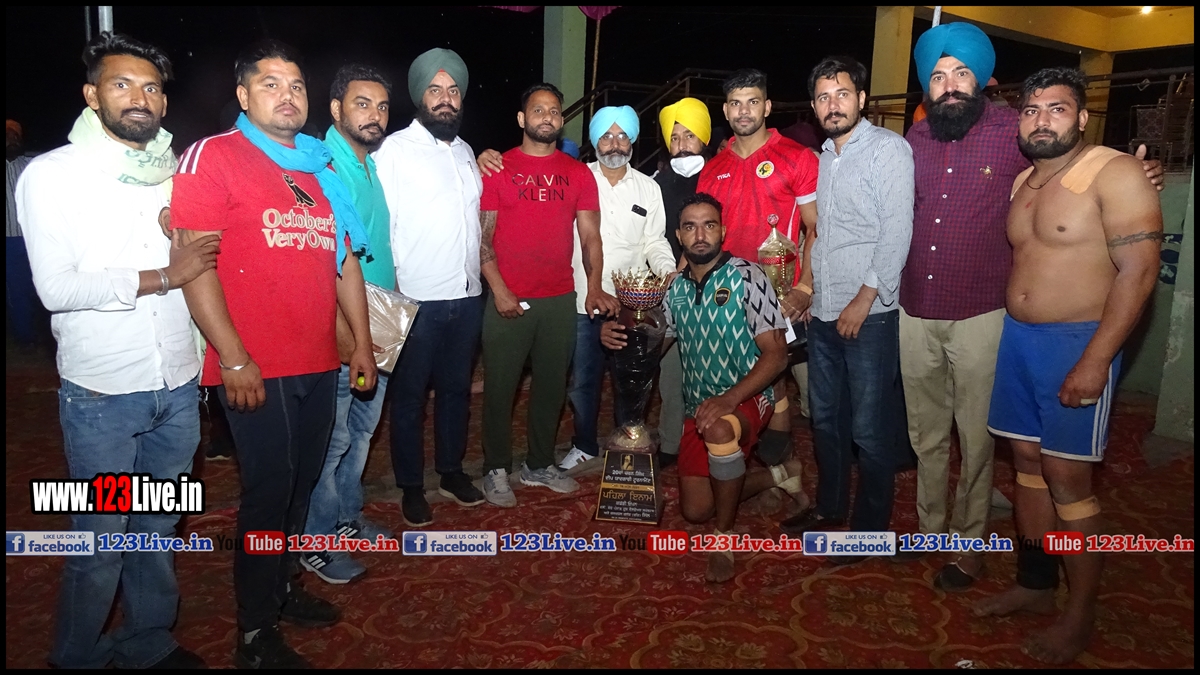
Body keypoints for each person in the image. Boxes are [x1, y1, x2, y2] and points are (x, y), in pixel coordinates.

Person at [897, 22, 1165, 590]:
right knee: (939, 440)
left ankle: (972, 547)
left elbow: (1121, 240)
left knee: (986, 445)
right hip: (921, 309)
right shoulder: (918, 141)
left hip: (988, 315)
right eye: (938, 77)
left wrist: (1137, 172)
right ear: (926, 86)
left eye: (961, 73)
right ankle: (938, 534)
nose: (950, 85)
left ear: (983, 80)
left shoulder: (1016, 135)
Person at [172, 39, 376, 668]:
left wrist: (361, 345)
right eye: (270, 84)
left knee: (300, 486)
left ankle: (281, 587)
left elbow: (344, 262)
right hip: (254, 367)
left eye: (296, 85)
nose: (287, 96)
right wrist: (233, 358)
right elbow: (193, 265)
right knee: (268, 494)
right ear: (242, 95)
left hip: (318, 359)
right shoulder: (214, 156)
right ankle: (255, 633)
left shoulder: (317, 167)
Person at [17, 32, 216, 669]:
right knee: (101, 541)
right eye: (122, 84)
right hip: (103, 394)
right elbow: (56, 289)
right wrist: (164, 275)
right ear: (91, 95)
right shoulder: (53, 175)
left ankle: (148, 641)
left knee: (158, 530)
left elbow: (210, 262)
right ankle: (75, 656)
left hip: (178, 384)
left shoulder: (175, 174)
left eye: (151, 87)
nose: (139, 97)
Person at [974, 67, 1163, 665]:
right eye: (1031, 110)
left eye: (1057, 109)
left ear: (1082, 117)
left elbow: (1139, 273)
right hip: (1019, 341)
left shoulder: (1116, 172)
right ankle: (1035, 584)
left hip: (1077, 343)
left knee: (1067, 479)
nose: (1042, 120)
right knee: (1027, 465)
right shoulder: (1023, 181)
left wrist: (1097, 360)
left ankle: (1079, 615)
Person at [602, 192, 803, 583]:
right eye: (690, 227)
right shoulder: (674, 290)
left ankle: (724, 540)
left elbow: (777, 356)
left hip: (749, 395)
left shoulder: (748, 277)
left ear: (722, 232)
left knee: (720, 430)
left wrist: (729, 399)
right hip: (701, 405)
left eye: (709, 225)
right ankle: (780, 474)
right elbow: (655, 346)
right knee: (695, 510)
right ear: (679, 236)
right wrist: (620, 336)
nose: (700, 235)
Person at [779, 57, 914, 557]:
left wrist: (865, 297)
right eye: (823, 97)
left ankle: (869, 530)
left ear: (861, 98)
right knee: (825, 419)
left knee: (869, 429)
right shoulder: (822, 160)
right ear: (814, 107)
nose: (832, 104)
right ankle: (830, 507)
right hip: (824, 311)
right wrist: (810, 291)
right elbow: (820, 233)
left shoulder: (888, 150)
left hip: (869, 314)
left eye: (841, 94)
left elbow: (896, 232)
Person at [477, 82, 620, 507]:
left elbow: (591, 236)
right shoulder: (498, 168)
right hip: (507, 296)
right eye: (538, 110)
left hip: (560, 299)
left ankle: (539, 464)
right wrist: (499, 290)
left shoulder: (578, 173)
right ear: (523, 119)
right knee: (500, 389)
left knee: (552, 389)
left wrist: (594, 286)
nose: (547, 117)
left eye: (555, 111)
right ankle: (495, 468)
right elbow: (482, 239)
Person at [374, 48, 488, 527]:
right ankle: (410, 486)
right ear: (420, 97)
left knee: (457, 392)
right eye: (435, 90)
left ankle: (450, 471)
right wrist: (393, 297)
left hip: (467, 297)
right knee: (409, 399)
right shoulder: (393, 151)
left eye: (453, 90)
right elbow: (383, 228)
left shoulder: (465, 152)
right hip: (415, 300)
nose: (445, 99)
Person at [298, 63, 396, 585]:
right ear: (336, 109)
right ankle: (315, 541)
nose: (374, 115)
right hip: (344, 325)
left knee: (360, 433)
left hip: (380, 319)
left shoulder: (368, 163)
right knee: (332, 440)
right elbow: (329, 261)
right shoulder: (324, 165)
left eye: (382, 106)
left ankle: (345, 519)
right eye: (362, 104)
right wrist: (349, 334)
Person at [697, 68, 819, 473]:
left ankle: (788, 462)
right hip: (728, 295)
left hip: (781, 293)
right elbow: (703, 236)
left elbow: (816, 227)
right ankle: (773, 471)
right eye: (735, 103)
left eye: (752, 102)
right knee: (745, 377)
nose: (744, 110)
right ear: (726, 111)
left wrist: (805, 286)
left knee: (782, 374)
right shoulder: (713, 168)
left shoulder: (798, 157)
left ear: (767, 107)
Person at [559, 105, 676, 470]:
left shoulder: (648, 187)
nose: (614, 143)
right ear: (595, 141)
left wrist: (668, 271)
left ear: (632, 141)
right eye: (607, 136)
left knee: (630, 379)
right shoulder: (577, 178)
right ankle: (584, 444)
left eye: (622, 135)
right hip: (583, 297)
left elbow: (654, 241)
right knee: (583, 380)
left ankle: (628, 441)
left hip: (631, 303)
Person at [653, 97, 712, 469]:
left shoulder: (718, 174)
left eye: (690, 135)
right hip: (671, 288)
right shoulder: (658, 182)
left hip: (713, 286)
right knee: (671, 373)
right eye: (675, 138)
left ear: (704, 137)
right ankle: (670, 444)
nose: (682, 144)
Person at [7, 119, 40, 349]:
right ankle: (25, 336)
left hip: (34, 239)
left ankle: (43, 334)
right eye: (7, 135)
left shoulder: (32, 166)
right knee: (17, 290)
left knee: (39, 286)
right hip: (8, 241)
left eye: (16, 135)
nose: (12, 139)